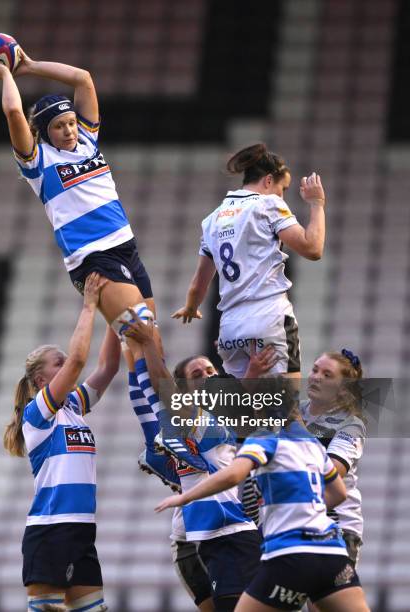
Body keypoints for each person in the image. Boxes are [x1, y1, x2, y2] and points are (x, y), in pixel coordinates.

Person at [0, 50, 156, 336]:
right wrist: (6, 75)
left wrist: (31, 66)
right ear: (45, 133)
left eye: (71, 122)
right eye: (59, 126)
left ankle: (145, 383)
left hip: (126, 246)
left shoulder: (87, 140)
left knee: (149, 341)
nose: (70, 130)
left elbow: (83, 79)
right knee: (141, 335)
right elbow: (13, 112)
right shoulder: (38, 162)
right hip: (93, 257)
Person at [155, 378, 370, 612]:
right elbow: (338, 492)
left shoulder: (264, 437)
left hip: (290, 555)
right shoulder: (313, 445)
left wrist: (184, 497)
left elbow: (233, 475)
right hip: (331, 554)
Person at [122, 313, 268, 612]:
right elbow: (151, 391)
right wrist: (138, 344)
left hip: (227, 532)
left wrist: (140, 342)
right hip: (201, 537)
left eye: (211, 370)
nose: (210, 376)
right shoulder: (198, 422)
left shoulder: (216, 424)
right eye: (198, 375)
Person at [3, 273, 120, 612]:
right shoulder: (38, 412)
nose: (67, 366)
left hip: (81, 530)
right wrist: (90, 305)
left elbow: (109, 366)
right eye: (59, 363)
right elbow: (80, 360)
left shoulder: (73, 405)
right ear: (41, 380)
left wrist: (117, 316)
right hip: (52, 529)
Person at [172, 143, 326, 379]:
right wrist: (317, 204)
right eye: (282, 188)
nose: (281, 195)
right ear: (267, 180)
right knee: (284, 410)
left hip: (230, 330)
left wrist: (191, 308)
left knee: (244, 409)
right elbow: (313, 249)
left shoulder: (212, 220)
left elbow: (197, 285)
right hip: (269, 318)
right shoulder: (268, 204)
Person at [302, 349, 366, 568]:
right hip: (297, 519)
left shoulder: (351, 424)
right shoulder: (295, 411)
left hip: (336, 523)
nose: (316, 377)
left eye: (327, 375)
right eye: (315, 370)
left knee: (322, 603)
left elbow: (334, 470)